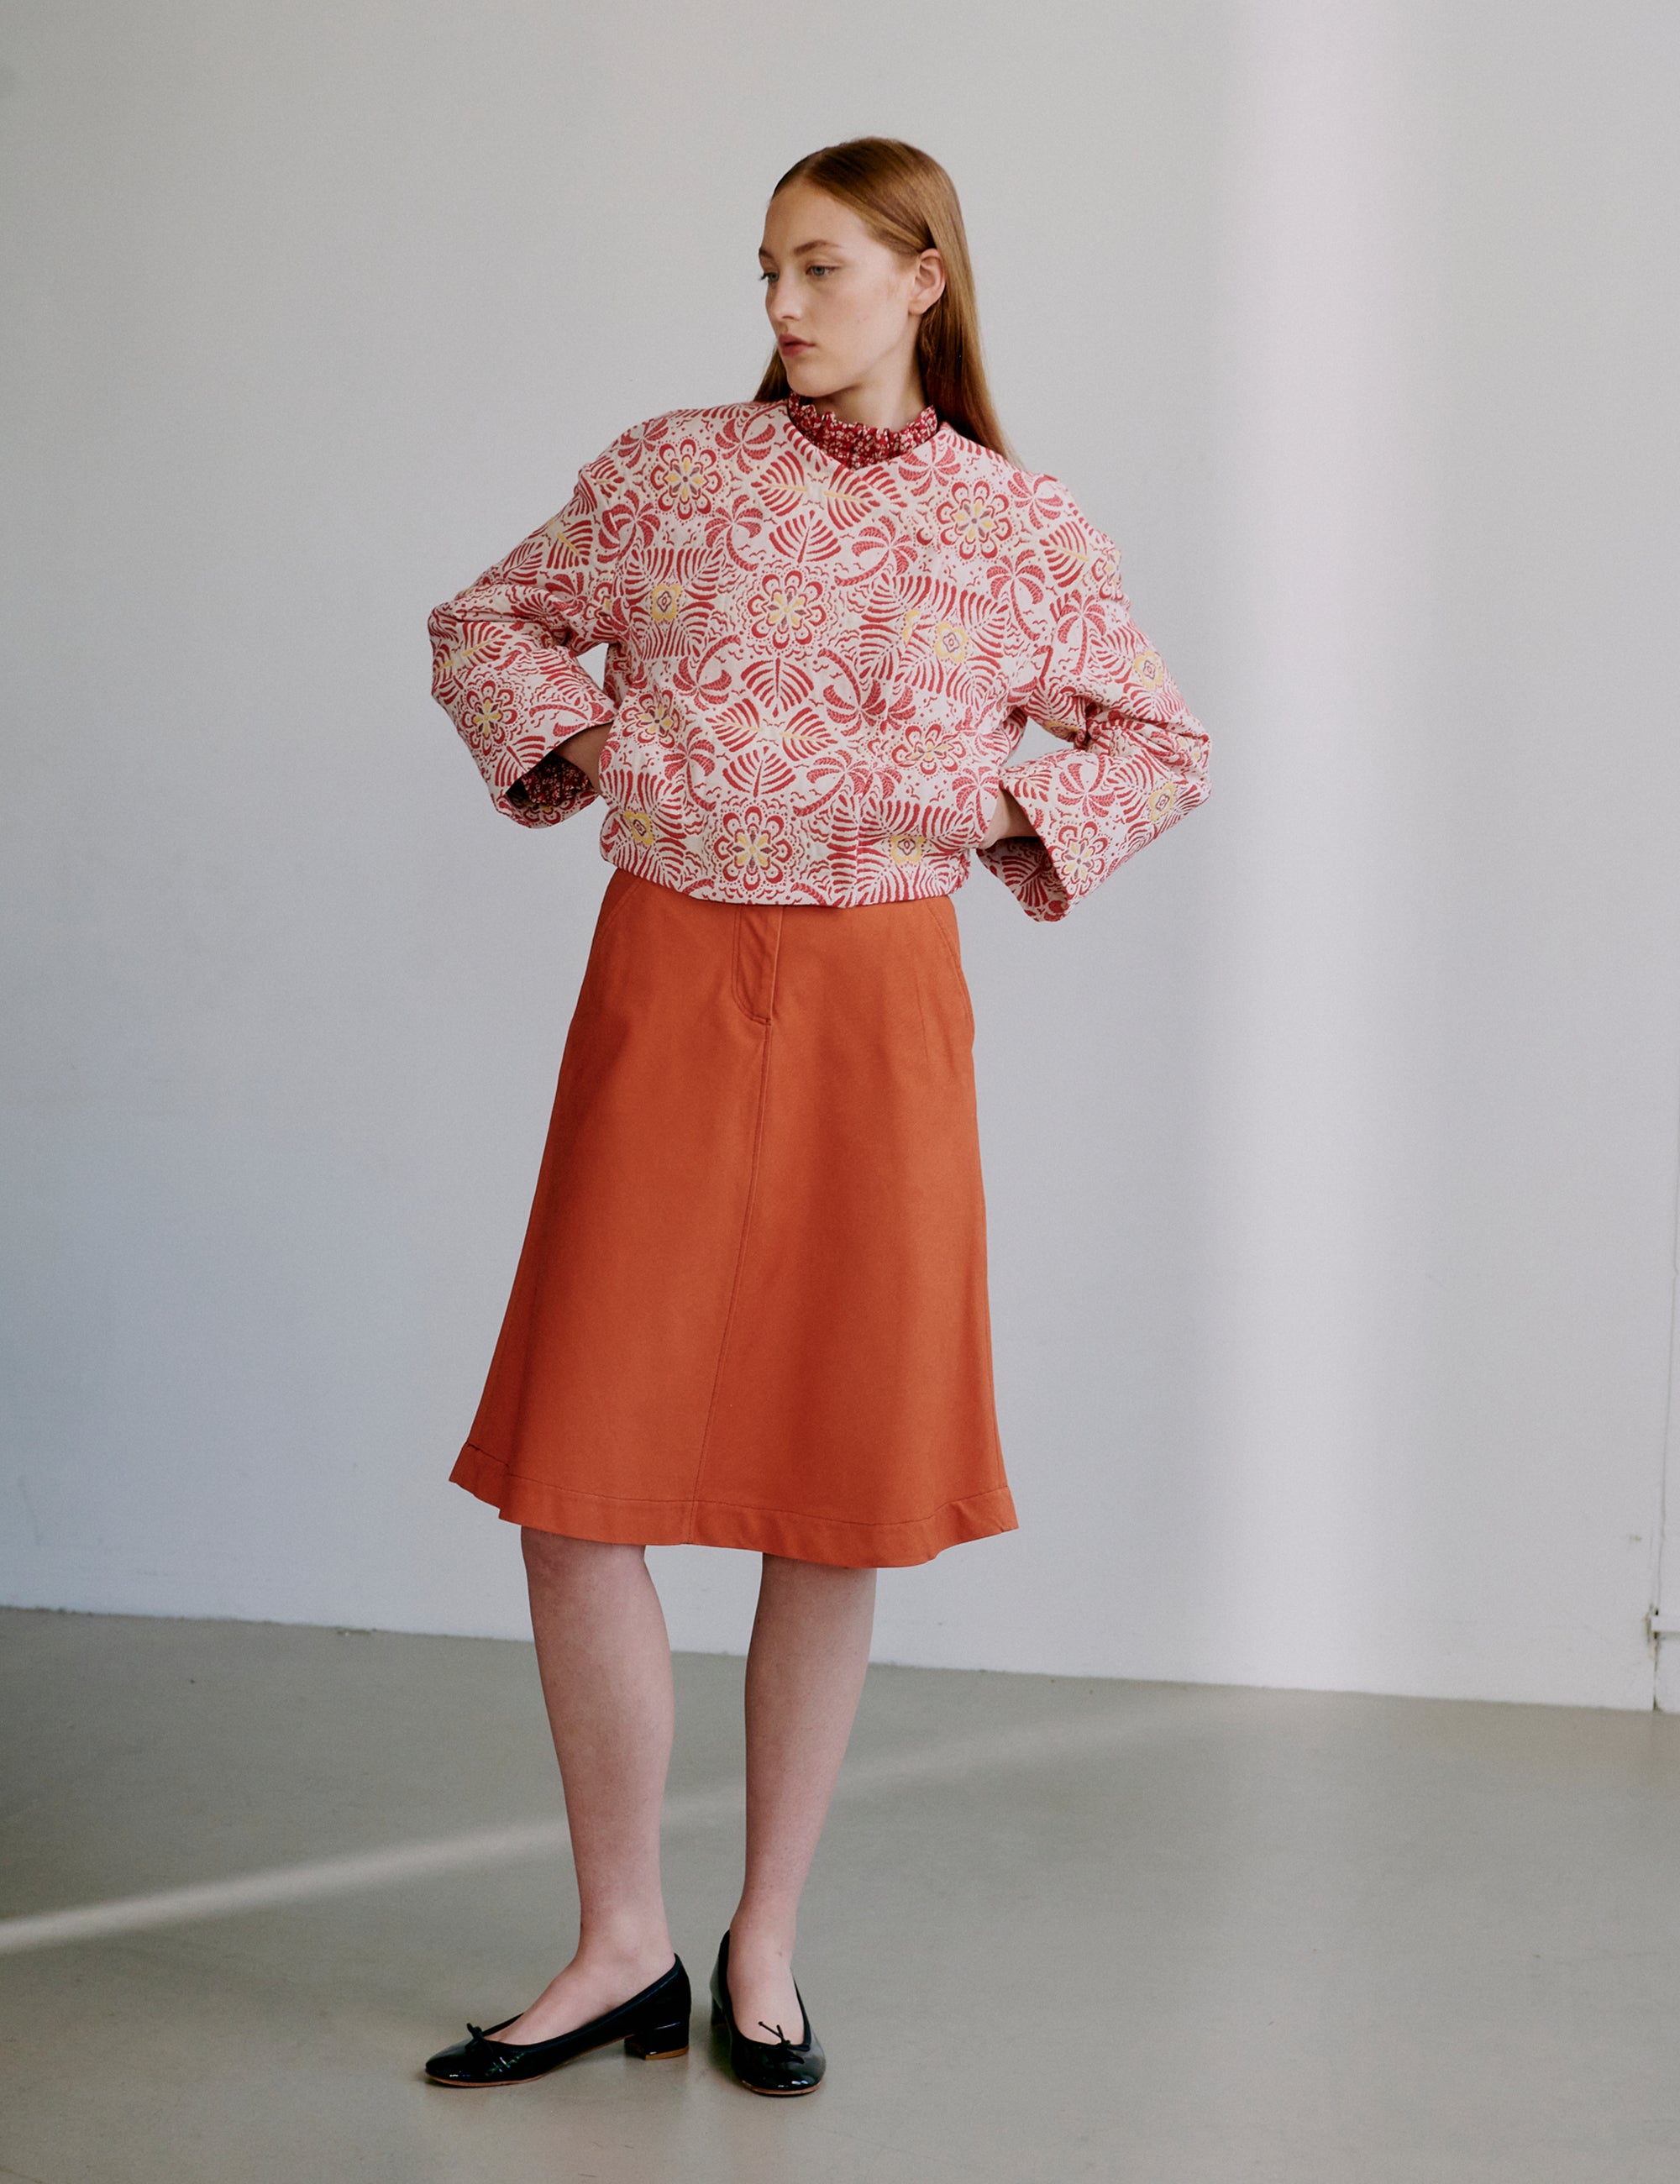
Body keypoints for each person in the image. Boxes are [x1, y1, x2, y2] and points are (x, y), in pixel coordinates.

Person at [419, 135, 1209, 2098]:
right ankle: (620, 1941)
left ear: (922, 276)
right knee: (578, 1478)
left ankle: (763, 1939)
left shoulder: (1013, 520)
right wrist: (607, 742)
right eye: (764, 270)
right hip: (667, 974)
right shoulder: (671, 469)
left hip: (874, 995)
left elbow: (1164, 740)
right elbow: (484, 624)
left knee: (832, 1472)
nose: (778, 307)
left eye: (820, 268)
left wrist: (975, 805)